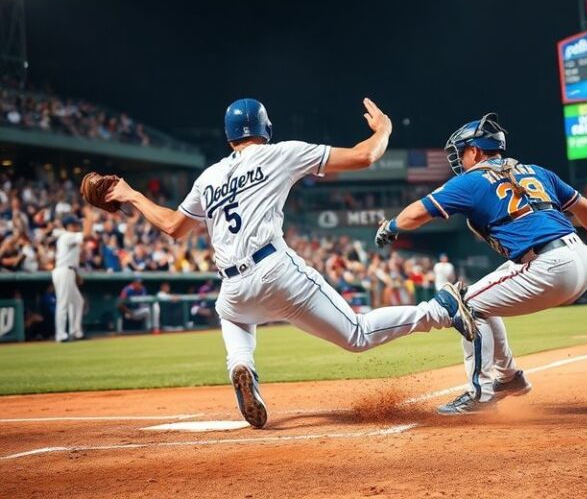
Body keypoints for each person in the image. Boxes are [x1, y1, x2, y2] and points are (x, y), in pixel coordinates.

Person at [101, 97, 474, 429]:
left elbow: (171, 226)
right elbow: (365, 156)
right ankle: (438, 310)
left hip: (233, 284)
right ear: (266, 129)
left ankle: (240, 366)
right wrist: (385, 129)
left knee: (231, 315)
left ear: (229, 136)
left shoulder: (209, 177)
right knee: (357, 334)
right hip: (276, 269)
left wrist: (131, 194)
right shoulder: (280, 152)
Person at [375, 113, 587, 414]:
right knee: (480, 300)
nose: (459, 159)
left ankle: (481, 393)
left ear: (475, 151)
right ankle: (509, 378)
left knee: (463, 304)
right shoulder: (537, 171)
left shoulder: (471, 180)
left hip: (549, 265)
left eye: (461, 152)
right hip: (581, 257)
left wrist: (391, 227)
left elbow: (416, 214)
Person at [52, 211, 93, 342]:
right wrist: (89, 219)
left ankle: (75, 332)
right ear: (68, 225)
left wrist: (76, 274)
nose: (76, 226)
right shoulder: (67, 236)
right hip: (63, 271)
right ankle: (61, 335)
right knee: (63, 303)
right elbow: (86, 235)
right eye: (74, 224)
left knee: (77, 301)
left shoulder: (69, 236)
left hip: (69, 271)